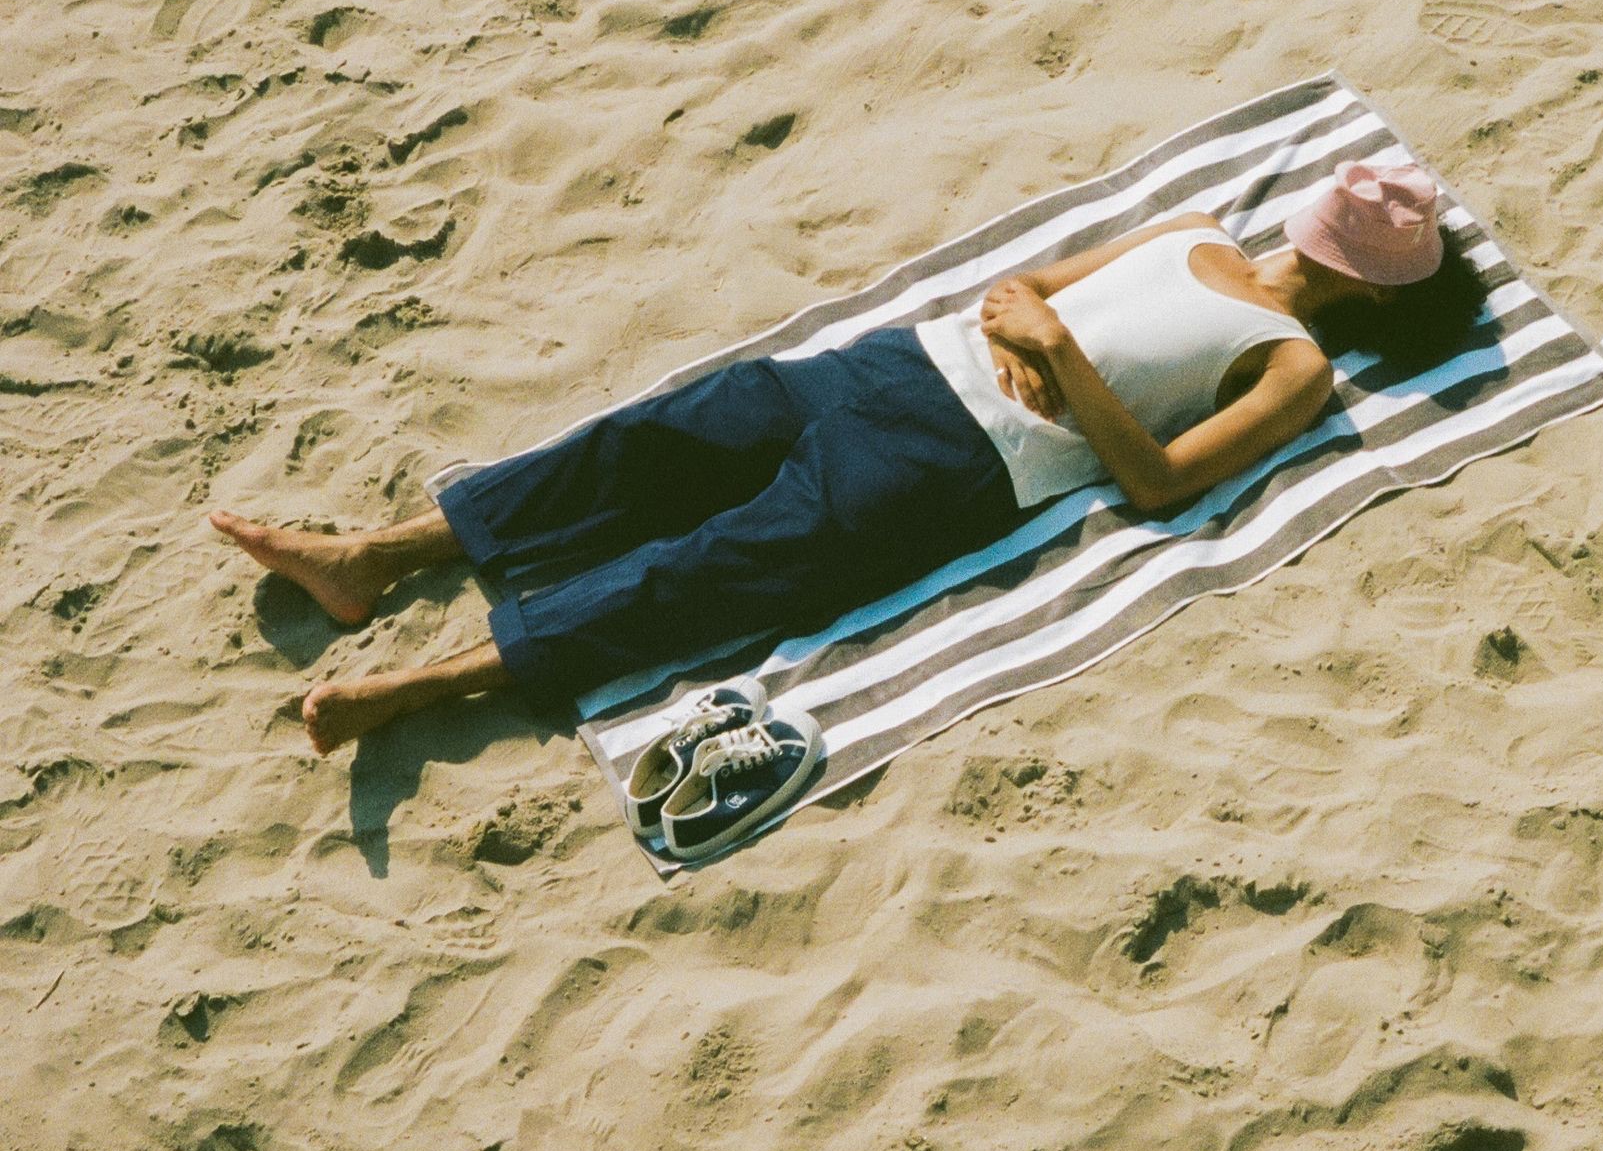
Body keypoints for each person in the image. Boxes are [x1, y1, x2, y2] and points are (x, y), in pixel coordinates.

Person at [213, 158, 1490, 754]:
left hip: (968, 464)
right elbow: (1032, 278)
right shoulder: (1198, 221)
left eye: (1355, 247)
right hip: (894, 363)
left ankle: (422, 686)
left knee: (703, 571)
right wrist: (1019, 316)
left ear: (1373, 298)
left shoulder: (1296, 366)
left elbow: (1159, 483)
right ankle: (371, 556)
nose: (1327, 236)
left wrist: (1058, 357)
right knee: (641, 446)